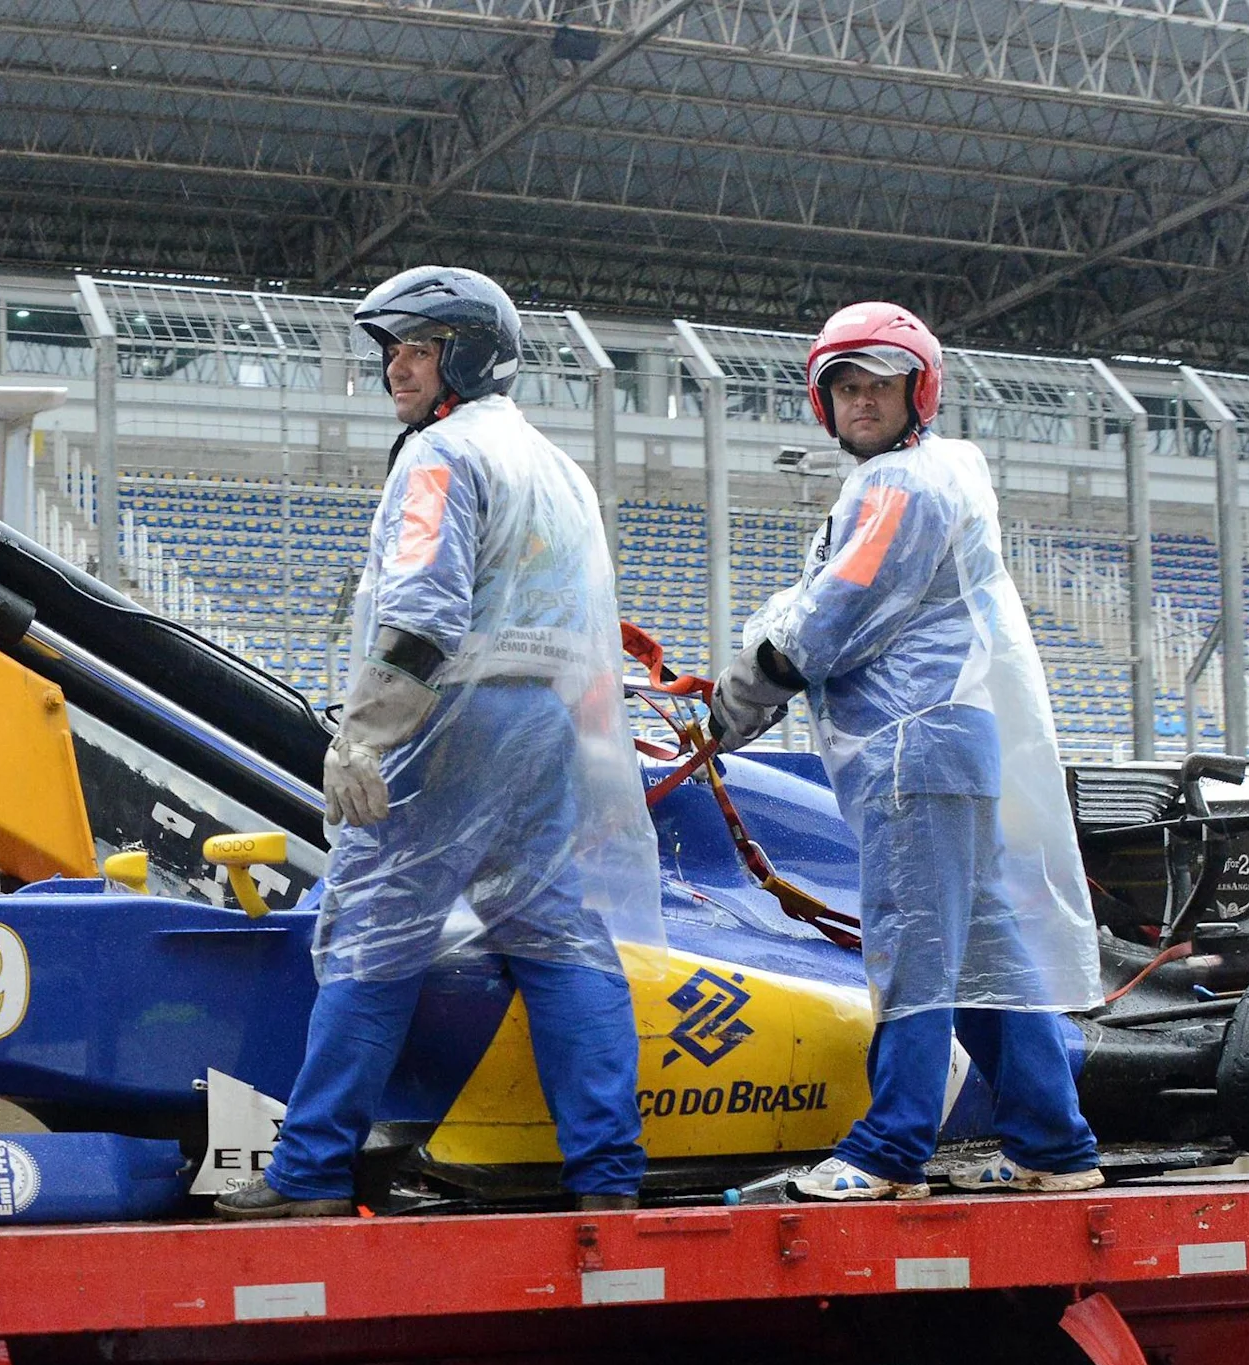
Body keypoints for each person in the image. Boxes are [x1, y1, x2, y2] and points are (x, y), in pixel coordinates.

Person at [216, 266, 661, 1219]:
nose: (397, 369)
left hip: (450, 718)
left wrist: (365, 733)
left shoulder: (438, 458)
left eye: (416, 349)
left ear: (462, 355)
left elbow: (421, 614)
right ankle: (609, 1176)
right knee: (555, 937)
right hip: (540, 723)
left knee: (371, 938)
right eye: (392, 351)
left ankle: (309, 1174)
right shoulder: (553, 464)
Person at [705, 301, 1106, 1200]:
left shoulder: (899, 487)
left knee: (915, 952)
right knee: (983, 950)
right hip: (946, 747)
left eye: (876, 384)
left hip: (909, 753)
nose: (858, 402)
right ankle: (1053, 1141)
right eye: (843, 387)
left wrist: (741, 693)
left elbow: (833, 614)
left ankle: (891, 1148)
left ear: (916, 390)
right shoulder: (929, 479)